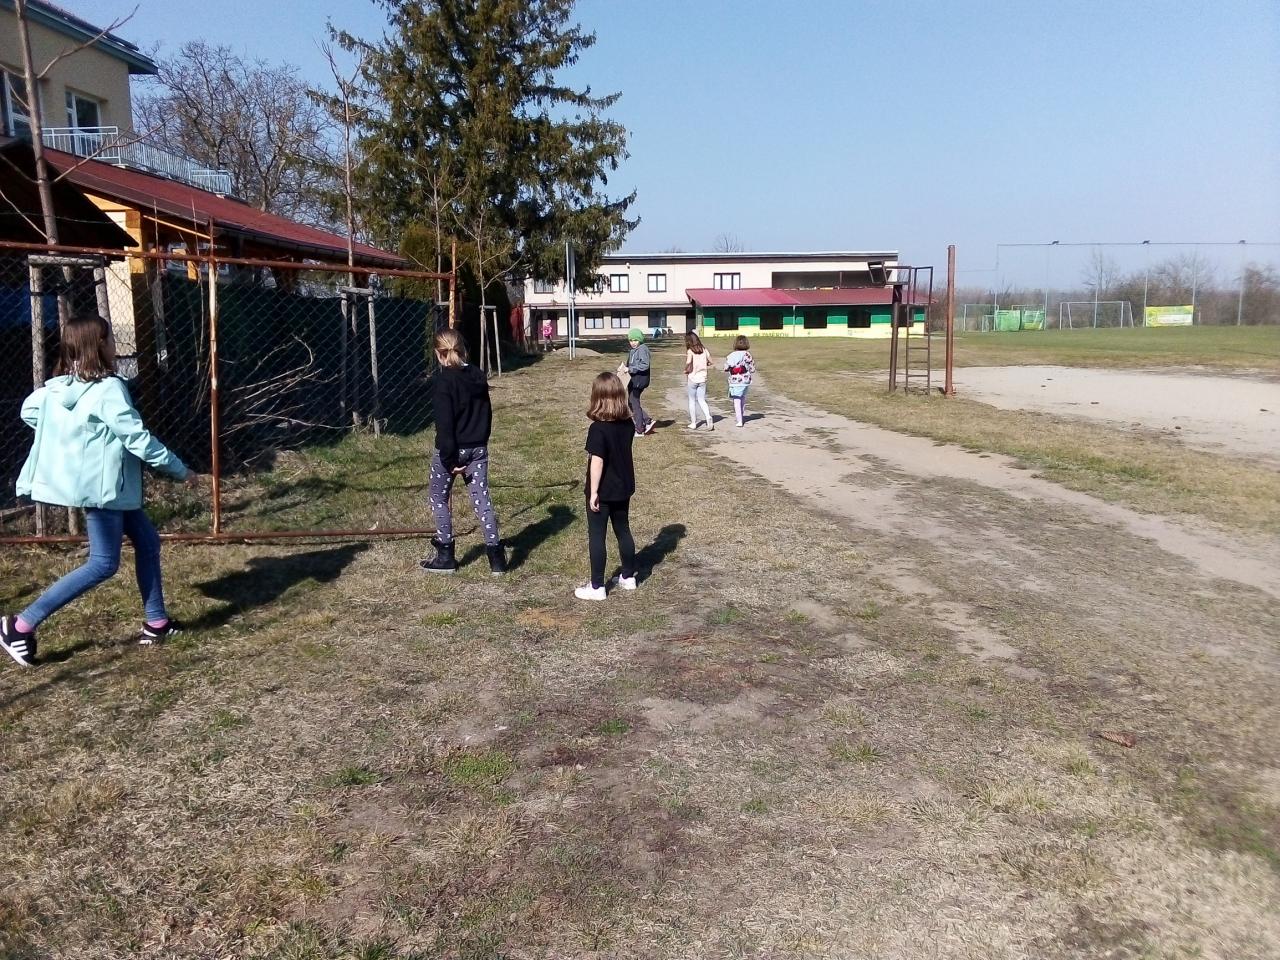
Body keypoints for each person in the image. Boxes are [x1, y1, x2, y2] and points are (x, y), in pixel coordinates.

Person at [1, 315, 197, 668]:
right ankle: (19, 625)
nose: (114, 344)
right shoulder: (109, 389)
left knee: (147, 542)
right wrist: (180, 470)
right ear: (100, 344)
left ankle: (156, 623)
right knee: (103, 564)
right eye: (110, 338)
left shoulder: (56, 388)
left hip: (111, 489)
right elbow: (137, 439)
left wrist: (74, 434)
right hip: (106, 489)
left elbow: (29, 411)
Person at [421, 329, 506, 575]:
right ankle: (496, 558)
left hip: (452, 451)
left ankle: (445, 554)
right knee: (482, 500)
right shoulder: (477, 375)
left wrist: (449, 460)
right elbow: (487, 414)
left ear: (438, 353)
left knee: (438, 498)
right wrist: (481, 442)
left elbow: (445, 426)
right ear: (462, 349)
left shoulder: (444, 382)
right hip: (478, 448)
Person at [576, 372, 637, 601]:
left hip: (603, 491)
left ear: (597, 398)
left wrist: (593, 492)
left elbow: (598, 462)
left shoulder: (598, 429)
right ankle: (628, 576)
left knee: (597, 535)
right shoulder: (628, 424)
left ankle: (597, 586)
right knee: (623, 530)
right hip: (623, 488)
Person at [619, 328, 655, 437]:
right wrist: (624, 368)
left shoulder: (642, 349)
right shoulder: (633, 350)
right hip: (632, 380)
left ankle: (640, 429)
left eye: (635, 340)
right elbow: (630, 364)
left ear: (640, 340)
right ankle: (647, 420)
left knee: (634, 403)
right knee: (631, 402)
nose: (633, 343)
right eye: (631, 340)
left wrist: (630, 369)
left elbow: (645, 365)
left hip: (639, 381)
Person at [723, 334, 756, 427]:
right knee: (742, 398)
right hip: (745, 381)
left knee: (736, 400)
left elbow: (726, 367)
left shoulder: (732, 355)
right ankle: (741, 415)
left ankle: (739, 420)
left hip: (736, 381)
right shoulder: (748, 355)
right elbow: (752, 369)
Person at [684, 331, 714, 430]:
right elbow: (711, 361)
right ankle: (708, 416)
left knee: (692, 400)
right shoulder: (704, 350)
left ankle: (693, 423)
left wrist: (686, 369)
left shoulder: (690, 351)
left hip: (693, 378)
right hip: (703, 378)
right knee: (702, 399)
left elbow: (688, 362)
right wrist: (706, 364)